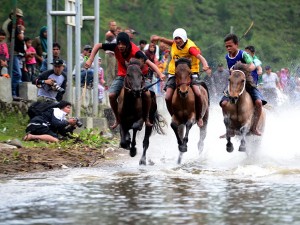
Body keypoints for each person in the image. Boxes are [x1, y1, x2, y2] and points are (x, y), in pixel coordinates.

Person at [85, 32, 165, 129]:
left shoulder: (136, 51)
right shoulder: (115, 47)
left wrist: (160, 74)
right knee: (111, 95)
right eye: (119, 43)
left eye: (123, 44)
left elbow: (149, 62)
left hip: (139, 75)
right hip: (123, 74)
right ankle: (118, 119)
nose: (120, 46)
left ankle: (146, 117)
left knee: (148, 94)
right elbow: (98, 45)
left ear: (128, 44)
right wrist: (90, 59)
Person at [151, 28, 210, 127]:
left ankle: (199, 117)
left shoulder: (190, 47)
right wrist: (159, 38)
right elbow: (169, 41)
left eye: (180, 39)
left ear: (184, 38)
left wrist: (205, 64)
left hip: (190, 72)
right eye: (176, 38)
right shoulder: (175, 43)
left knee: (198, 93)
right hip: (175, 73)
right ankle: (174, 116)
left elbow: (200, 56)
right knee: (168, 96)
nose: (177, 41)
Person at [220, 33, 266, 136]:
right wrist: (232, 71)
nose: (228, 48)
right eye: (226, 46)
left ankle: (254, 127)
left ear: (236, 44)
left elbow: (252, 65)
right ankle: (229, 129)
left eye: (230, 46)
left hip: (247, 81)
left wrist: (244, 70)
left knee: (258, 102)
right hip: (234, 83)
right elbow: (230, 70)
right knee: (223, 103)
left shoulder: (243, 54)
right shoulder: (227, 57)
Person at [104, 21, 118, 87]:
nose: (114, 26)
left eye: (115, 25)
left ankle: (115, 85)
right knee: (110, 71)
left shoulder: (115, 34)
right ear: (109, 26)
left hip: (114, 55)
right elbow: (110, 37)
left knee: (115, 71)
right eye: (112, 25)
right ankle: (110, 85)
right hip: (110, 54)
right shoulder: (109, 34)